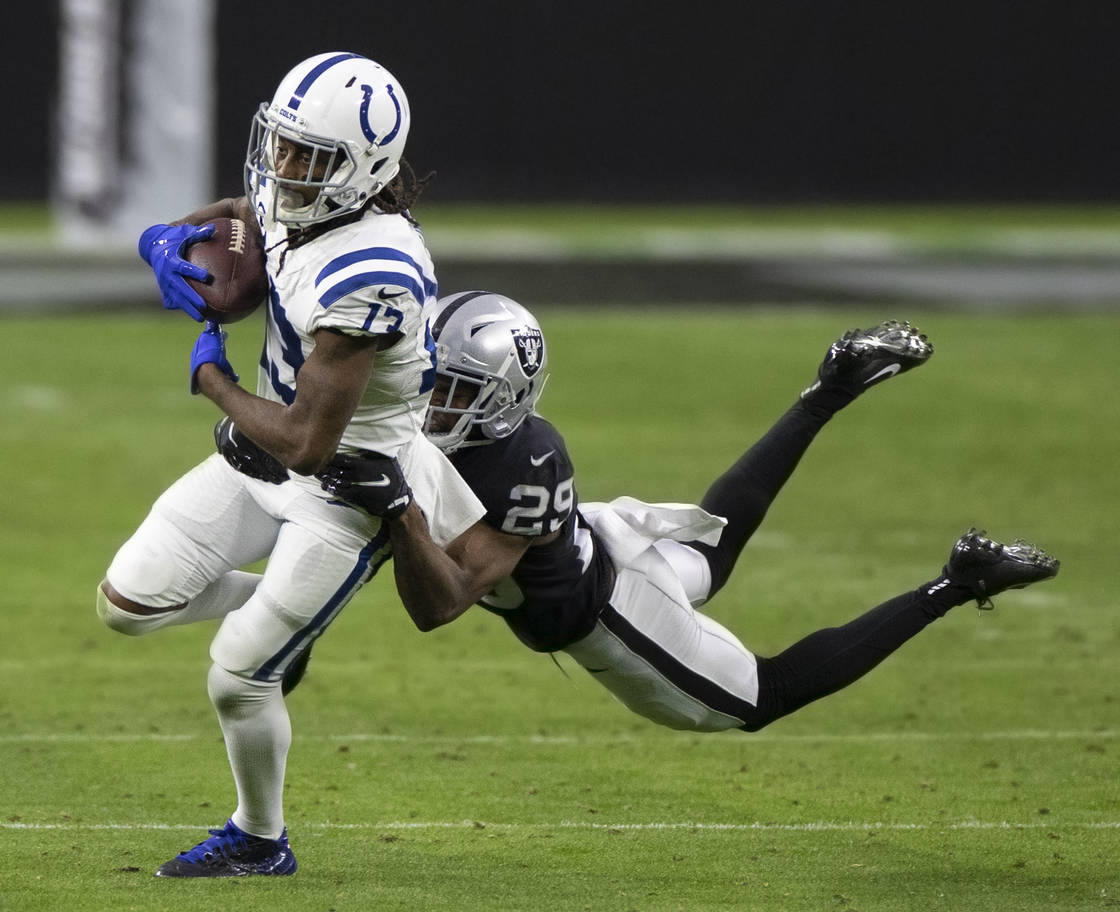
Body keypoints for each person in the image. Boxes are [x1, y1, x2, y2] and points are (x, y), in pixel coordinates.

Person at [318, 290, 1060, 733]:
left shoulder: (523, 463)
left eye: (453, 389)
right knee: (713, 551)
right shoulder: (464, 437)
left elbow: (440, 604)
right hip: (600, 541)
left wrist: (402, 517)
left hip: (607, 613)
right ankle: (830, 389)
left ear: (504, 395)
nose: (431, 402)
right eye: (430, 381)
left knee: (765, 694)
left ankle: (957, 582)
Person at [95, 53, 483, 878]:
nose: (286, 166)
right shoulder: (300, 192)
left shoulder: (373, 272)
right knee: (125, 604)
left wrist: (213, 381)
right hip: (258, 455)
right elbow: (244, 213)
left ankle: (259, 839)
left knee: (237, 679)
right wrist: (162, 239)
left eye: (311, 155)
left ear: (365, 169)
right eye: (284, 143)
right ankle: (286, 624)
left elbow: (310, 442)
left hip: (345, 486)